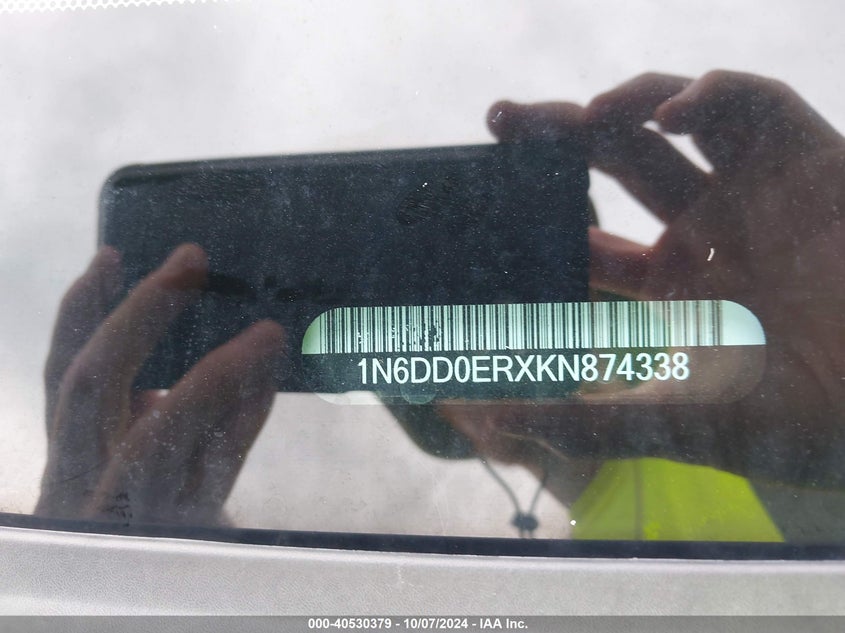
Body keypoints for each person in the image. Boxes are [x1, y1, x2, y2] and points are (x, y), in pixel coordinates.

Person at [36, 71, 845, 535]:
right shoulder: (551, 560)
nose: (477, 357)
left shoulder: (760, 431)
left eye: (499, 296)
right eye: (430, 341)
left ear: (592, 300)